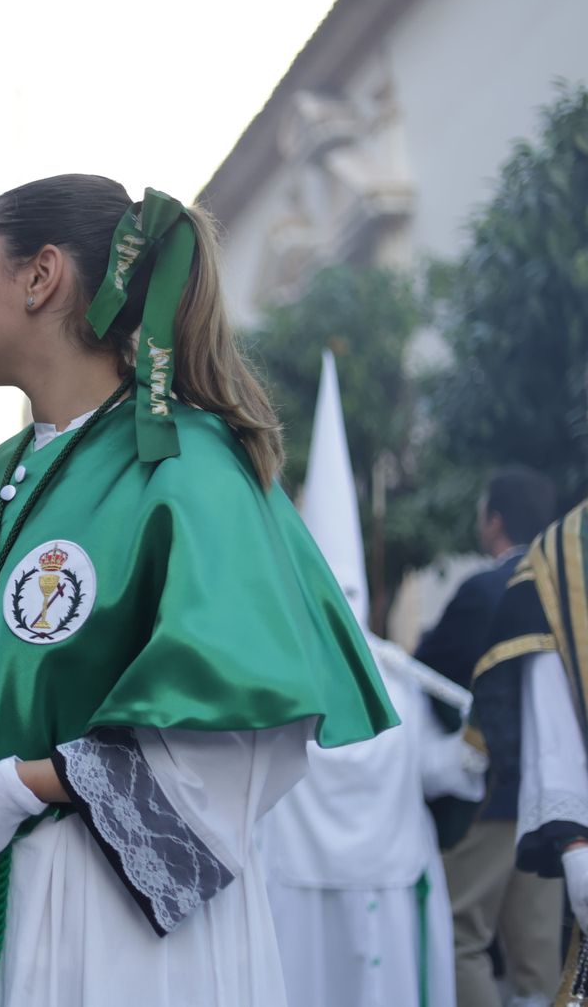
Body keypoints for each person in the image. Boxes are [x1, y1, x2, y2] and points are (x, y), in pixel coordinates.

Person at [0, 176, 396, 1007]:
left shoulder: (189, 470)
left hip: (110, 920)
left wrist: (19, 785)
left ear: (41, 276)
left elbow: (231, 740)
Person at [258, 351, 485, 1007]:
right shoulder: (392, 677)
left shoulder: (278, 672)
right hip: (357, 886)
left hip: (328, 888)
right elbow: (438, 770)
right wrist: (474, 747)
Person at [417, 468, 562, 1007]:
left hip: (494, 793)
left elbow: (423, 676)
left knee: (461, 933)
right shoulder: (569, 592)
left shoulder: (483, 589)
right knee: (537, 950)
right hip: (557, 796)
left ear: (494, 521)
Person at [471, 498, 588, 1005]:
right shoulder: (562, 556)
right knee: (533, 955)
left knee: (475, 939)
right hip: (541, 810)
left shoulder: (488, 584)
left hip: (525, 806)